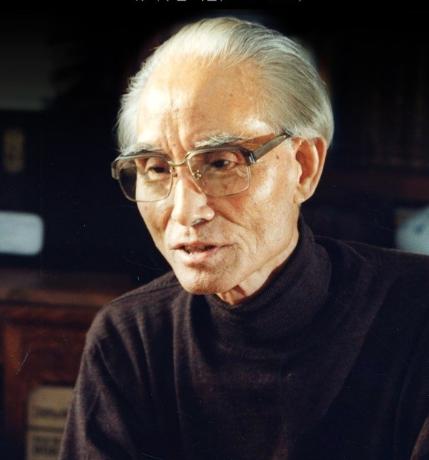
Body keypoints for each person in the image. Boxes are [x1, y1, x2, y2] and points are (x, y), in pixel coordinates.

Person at [59, 17, 429, 460]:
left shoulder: (417, 312)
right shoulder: (130, 338)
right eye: (156, 168)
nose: (186, 211)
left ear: (304, 167)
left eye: (221, 163)